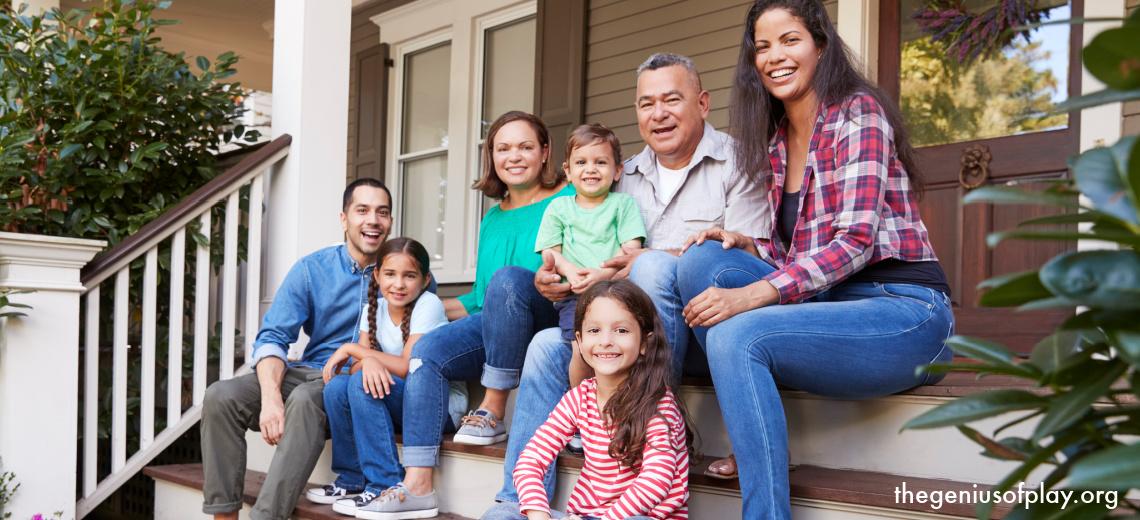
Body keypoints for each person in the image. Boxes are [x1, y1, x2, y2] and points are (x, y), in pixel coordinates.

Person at [676, 1, 955, 517]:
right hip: (829, 304)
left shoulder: (859, 112)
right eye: (762, 46)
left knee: (739, 330)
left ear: (820, 46)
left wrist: (755, 292)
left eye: (790, 40)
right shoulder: (778, 140)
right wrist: (748, 245)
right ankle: (755, 430)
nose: (774, 56)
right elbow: (801, 257)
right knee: (699, 262)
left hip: (903, 311)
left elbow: (854, 242)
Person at [481, 53, 769, 519]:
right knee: (542, 346)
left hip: (698, 336)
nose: (658, 113)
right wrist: (554, 275)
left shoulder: (739, 161)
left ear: (703, 102)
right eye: (646, 103)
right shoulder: (620, 173)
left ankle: (651, 418)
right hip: (616, 338)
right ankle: (514, 503)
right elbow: (586, 248)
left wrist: (656, 259)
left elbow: (750, 256)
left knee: (653, 268)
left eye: (671, 99)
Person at [360, 111, 573, 519]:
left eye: (526, 147)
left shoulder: (568, 199)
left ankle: (493, 407)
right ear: (491, 156)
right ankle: (418, 482)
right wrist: (408, 303)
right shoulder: (493, 217)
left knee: (510, 281)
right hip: (499, 321)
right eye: (503, 148)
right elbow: (479, 298)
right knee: (430, 349)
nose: (514, 156)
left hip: (550, 315)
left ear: (545, 152)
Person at [200, 178, 395, 520]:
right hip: (310, 369)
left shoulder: (404, 270)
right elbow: (273, 337)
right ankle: (224, 514)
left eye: (382, 212)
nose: (373, 220)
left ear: (390, 221)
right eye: (362, 210)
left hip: (354, 381)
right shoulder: (312, 270)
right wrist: (272, 398)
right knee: (221, 396)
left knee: (305, 400)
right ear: (344, 217)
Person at [308, 238, 464, 519]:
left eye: (410, 275)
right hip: (400, 401)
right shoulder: (373, 309)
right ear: (377, 275)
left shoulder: (428, 305)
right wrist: (365, 359)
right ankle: (353, 478)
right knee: (337, 387)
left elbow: (407, 366)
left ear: (425, 279)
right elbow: (357, 367)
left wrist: (354, 350)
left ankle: (385, 482)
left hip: (436, 408)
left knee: (359, 384)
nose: (399, 284)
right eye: (390, 274)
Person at [513, 280, 690, 520]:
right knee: (502, 512)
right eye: (594, 331)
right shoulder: (578, 398)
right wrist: (538, 515)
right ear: (580, 340)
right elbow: (530, 461)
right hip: (585, 515)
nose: (606, 340)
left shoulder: (659, 404)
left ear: (644, 344)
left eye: (621, 330)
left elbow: (655, 481)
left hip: (641, 517)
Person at [535, 123, 646, 388]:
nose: (591, 169)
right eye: (581, 162)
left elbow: (631, 248)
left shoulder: (623, 205)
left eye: (601, 162)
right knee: (583, 351)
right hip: (576, 295)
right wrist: (570, 271)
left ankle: (620, 406)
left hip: (617, 292)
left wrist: (602, 275)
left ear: (618, 170)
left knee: (620, 351)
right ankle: (582, 411)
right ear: (568, 171)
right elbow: (550, 251)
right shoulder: (559, 208)